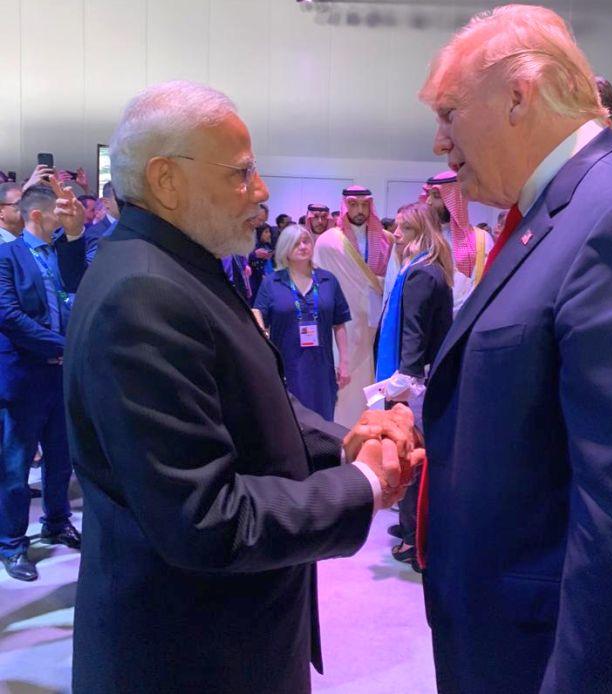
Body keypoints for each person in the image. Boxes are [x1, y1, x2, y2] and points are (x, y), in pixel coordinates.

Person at [63, 80, 421, 694]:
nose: (261, 192)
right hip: (192, 659)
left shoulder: (178, 266)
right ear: (166, 180)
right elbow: (206, 518)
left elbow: (251, 404)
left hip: (225, 640)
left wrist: (345, 439)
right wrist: (363, 482)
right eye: (241, 174)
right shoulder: (144, 295)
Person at [416, 6, 612, 693]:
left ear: (519, 96)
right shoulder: (556, 212)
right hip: (497, 632)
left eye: (449, 113)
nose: (441, 143)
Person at [0, 180, 86, 582]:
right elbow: (9, 316)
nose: (63, 217)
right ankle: (12, 544)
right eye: (57, 212)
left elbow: (77, 294)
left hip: (60, 376)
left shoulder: (60, 255)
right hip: (24, 376)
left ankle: (56, 520)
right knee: (15, 467)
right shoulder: (7, 257)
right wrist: (66, 344)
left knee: (60, 459)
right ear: (37, 214)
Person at [373, 202, 453, 571]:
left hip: (414, 381)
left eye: (403, 229)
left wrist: (402, 382)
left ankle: (413, 538)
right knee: (411, 453)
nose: (396, 235)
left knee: (410, 455)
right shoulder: (424, 268)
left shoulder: (420, 274)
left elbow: (413, 332)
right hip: (418, 377)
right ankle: (409, 526)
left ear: (419, 231)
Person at [254, 225, 350, 421]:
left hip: (321, 367)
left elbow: (339, 324)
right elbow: (257, 311)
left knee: (323, 421)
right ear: (285, 248)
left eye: (306, 241)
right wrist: (262, 335)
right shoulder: (272, 282)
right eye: (296, 243)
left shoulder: (327, 280)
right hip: (286, 367)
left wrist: (345, 362)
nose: (303, 246)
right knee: (289, 421)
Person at [313, 186, 391, 427]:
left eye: (365, 205)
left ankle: (368, 426)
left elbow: (390, 278)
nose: (360, 210)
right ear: (345, 206)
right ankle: (339, 428)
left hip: (376, 319)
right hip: (342, 322)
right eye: (354, 204)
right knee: (344, 374)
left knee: (371, 374)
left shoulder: (385, 239)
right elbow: (321, 281)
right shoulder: (329, 241)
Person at [421, 170, 493, 313]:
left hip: (465, 316)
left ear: (453, 200)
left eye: (436, 196)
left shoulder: (481, 239)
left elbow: (483, 284)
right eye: (428, 195)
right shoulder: (422, 237)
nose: (428, 202)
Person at [248, 222, 275, 303]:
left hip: (270, 278)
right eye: (266, 232)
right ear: (259, 233)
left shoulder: (268, 246)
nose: (269, 234)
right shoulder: (253, 249)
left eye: (269, 232)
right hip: (258, 283)